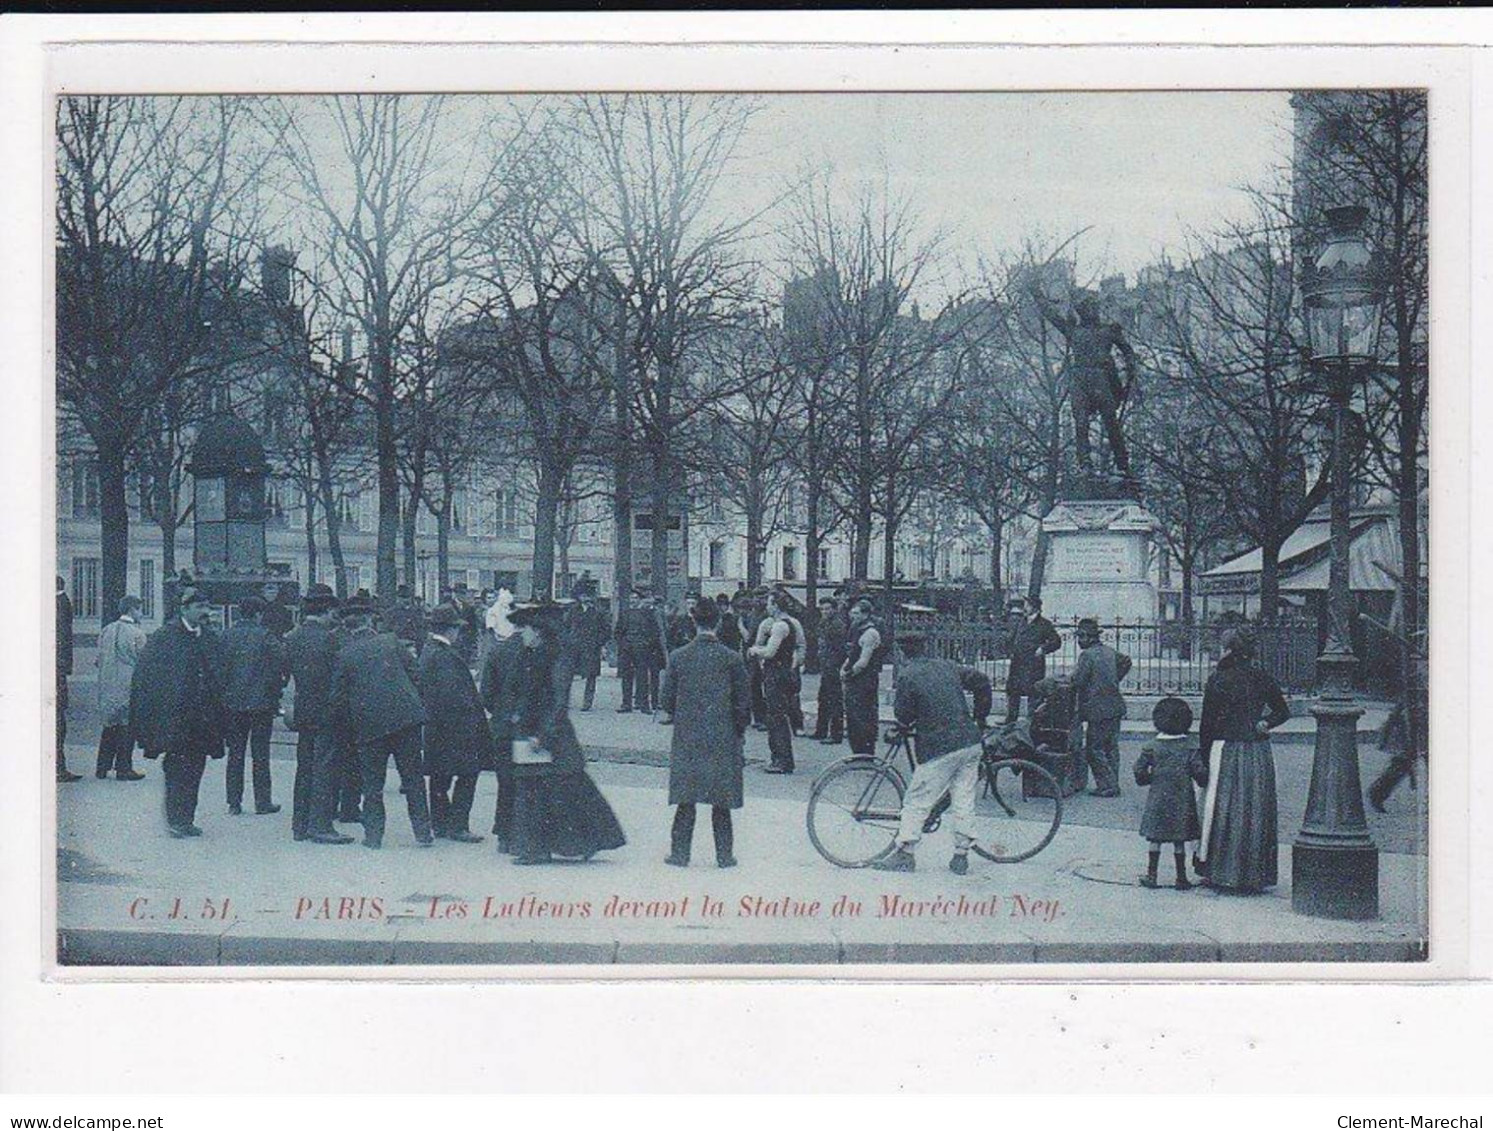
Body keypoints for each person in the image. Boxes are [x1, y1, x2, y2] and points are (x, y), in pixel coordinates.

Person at [505, 601, 626, 865]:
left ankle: (572, 843)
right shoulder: (526, 655)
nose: (520, 632)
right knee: (536, 790)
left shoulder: (556, 657)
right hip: (529, 733)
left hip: (550, 735)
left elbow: (559, 702)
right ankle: (538, 847)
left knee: (564, 789)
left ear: (537, 631)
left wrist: (543, 736)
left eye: (524, 627)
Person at [873, 631, 993, 875]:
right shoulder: (948, 666)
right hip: (970, 741)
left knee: (917, 799)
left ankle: (905, 853)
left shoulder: (907, 675)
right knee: (963, 797)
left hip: (939, 746)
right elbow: (982, 682)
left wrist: (908, 722)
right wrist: (980, 717)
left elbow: (903, 716)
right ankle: (960, 855)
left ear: (903, 652)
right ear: (925, 648)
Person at [330, 593, 433, 849]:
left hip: (370, 725)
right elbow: (416, 674)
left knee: (373, 784)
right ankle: (422, 832)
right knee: (413, 779)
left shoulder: (345, 655)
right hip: (406, 719)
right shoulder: (391, 642)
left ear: (347, 626)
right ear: (370, 622)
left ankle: (374, 836)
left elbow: (338, 697)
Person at [1195, 628, 1290, 893]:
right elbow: (1283, 711)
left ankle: (1221, 871)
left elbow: (1207, 725)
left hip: (1225, 749)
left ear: (1228, 650)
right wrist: (1266, 722)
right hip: (1257, 753)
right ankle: (1253, 874)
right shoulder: (1262, 678)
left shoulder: (1218, 680)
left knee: (1221, 809)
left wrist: (1203, 757)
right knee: (1254, 810)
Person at [660, 598, 751, 868]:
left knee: (686, 798)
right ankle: (724, 856)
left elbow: (666, 702)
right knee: (720, 800)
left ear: (694, 621)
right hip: (723, 736)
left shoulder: (678, 657)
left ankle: (679, 854)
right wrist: (739, 731)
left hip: (688, 737)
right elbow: (743, 704)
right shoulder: (732, 659)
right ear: (719, 622)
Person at [128, 587, 227, 837]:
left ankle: (186, 818)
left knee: (196, 767)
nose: (205, 612)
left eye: (207, 607)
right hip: (175, 719)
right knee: (176, 767)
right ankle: (176, 819)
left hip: (203, 719)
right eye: (199, 607)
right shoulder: (165, 637)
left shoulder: (210, 638)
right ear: (184, 609)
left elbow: (220, 674)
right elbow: (146, 678)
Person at [1030, 284, 1138, 479]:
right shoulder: (1074, 331)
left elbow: (1127, 350)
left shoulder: (1108, 330)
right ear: (1082, 312)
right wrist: (1037, 294)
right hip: (1080, 380)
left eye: (1093, 307)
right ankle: (1085, 464)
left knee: (1111, 423)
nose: (1092, 311)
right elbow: (1051, 314)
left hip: (1101, 378)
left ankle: (1123, 464)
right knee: (1080, 423)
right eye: (1087, 308)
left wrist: (1130, 365)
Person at [283, 584, 354, 845]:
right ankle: (321, 825)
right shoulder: (331, 639)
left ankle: (300, 825)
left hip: (304, 710)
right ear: (326, 610)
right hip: (327, 712)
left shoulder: (294, 637)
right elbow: (339, 680)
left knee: (305, 768)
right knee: (326, 769)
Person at [419, 604, 492, 843]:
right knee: (468, 774)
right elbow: (454, 697)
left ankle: (440, 823)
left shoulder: (430, 651)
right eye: (457, 629)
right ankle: (458, 825)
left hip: (437, 728)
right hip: (456, 729)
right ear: (450, 630)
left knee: (440, 777)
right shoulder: (445, 656)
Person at [219, 596, 286, 816]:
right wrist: (275, 691)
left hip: (233, 705)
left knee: (235, 753)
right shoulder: (266, 636)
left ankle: (234, 802)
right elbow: (280, 664)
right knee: (261, 754)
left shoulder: (226, 636)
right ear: (258, 614)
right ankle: (262, 801)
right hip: (261, 704)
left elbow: (219, 670)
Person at [1132, 697, 1207, 890]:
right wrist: (1203, 780)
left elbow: (1139, 770)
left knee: (1155, 839)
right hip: (1183, 800)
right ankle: (1181, 878)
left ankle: (1152, 875)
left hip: (1158, 798)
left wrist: (1149, 779)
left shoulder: (1151, 746)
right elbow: (1199, 771)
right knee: (1179, 840)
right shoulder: (1190, 746)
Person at [479, 590, 524, 850]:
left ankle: (504, 836)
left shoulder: (498, 652)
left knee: (505, 781)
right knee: (526, 781)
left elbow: (486, 695)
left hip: (502, 726)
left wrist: (501, 712)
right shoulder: (535, 652)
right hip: (526, 728)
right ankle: (523, 833)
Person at [1070, 618, 1132, 797]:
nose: (1079, 641)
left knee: (1094, 749)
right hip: (1115, 706)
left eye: (1080, 637)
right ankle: (1113, 783)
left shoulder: (1087, 655)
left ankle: (1107, 786)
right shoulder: (1109, 651)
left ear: (1088, 637)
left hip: (1098, 708)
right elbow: (1126, 662)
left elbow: (1079, 681)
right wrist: (1113, 680)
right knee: (1111, 746)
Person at [95, 595, 147, 781]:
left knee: (109, 725)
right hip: (128, 685)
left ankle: (102, 767)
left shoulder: (106, 630)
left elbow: (97, 660)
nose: (141, 613)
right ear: (133, 610)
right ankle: (123, 768)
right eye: (139, 609)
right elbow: (143, 662)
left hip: (108, 685)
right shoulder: (137, 633)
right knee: (127, 727)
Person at [749, 589, 798, 774]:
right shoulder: (786, 624)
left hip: (777, 674)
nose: (767, 607)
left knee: (776, 717)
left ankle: (782, 760)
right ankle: (779, 758)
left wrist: (755, 651)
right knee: (775, 716)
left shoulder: (780, 626)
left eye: (769, 603)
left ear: (776, 606)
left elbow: (769, 652)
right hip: (780, 672)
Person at [1004, 596, 1062, 723]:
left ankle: (1032, 721)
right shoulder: (1021, 621)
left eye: (1027, 605)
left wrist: (1043, 649)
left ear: (1034, 608)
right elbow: (1013, 638)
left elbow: (1056, 641)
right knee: (1013, 690)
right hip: (1018, 662)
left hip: (1033, 664)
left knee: (1034, 692)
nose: (1025, 607)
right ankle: (1010, 720)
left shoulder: (1044, 624)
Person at [841, 598, 885, 758]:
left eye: (857, 613)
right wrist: (844, 667)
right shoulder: (856, 629)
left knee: (863, 716)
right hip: (856, 679)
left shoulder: (871, 633)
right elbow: (852, 653)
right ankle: (857, 752)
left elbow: (863, 662)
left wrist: (849, 673)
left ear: (866, 614)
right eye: (853, 613)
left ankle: (866, 752)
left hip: (864, 680)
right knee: (853, 717)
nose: (854, 616)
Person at [615, 592, 662, 714]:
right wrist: (622, 644)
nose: (633, 600)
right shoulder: (624, 614)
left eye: (636, 598)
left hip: (642, 648)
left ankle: (644, 704)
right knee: (626, 677)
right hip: (627, 648)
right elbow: (618, 631)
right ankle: (626, 704)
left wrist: (647, 644)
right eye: (631, 598)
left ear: (640, 600)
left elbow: (655, 632)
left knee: (642, 677)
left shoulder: (647, 614)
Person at [813, 595, 848, 745]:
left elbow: (839, 648)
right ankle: (821, 731)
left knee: (834, 701)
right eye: (822, 609)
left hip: (833, 666)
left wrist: (835, 665)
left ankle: (835, 733)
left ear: (834, 609)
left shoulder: (837, 625)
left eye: (827, 609)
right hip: (826, 665)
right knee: (824, 699)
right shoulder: (824, 623)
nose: (825, 611)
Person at [564, 593, 608, 711]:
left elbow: (605, 630)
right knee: (568, 675)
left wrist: (598, 643)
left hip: (591, 648)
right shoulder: (573, 610)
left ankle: (587, 702)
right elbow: (566, 627)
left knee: (591, 675)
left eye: (587, 595)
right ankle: (565, 700)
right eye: (582, 595)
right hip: (575, 647)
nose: (585, 598)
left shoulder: (598, 612)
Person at [56, 576, 80, 782]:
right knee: (57, 720)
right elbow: (64, 636)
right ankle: (58, 767)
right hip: (55, 672)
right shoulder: (60, 604)